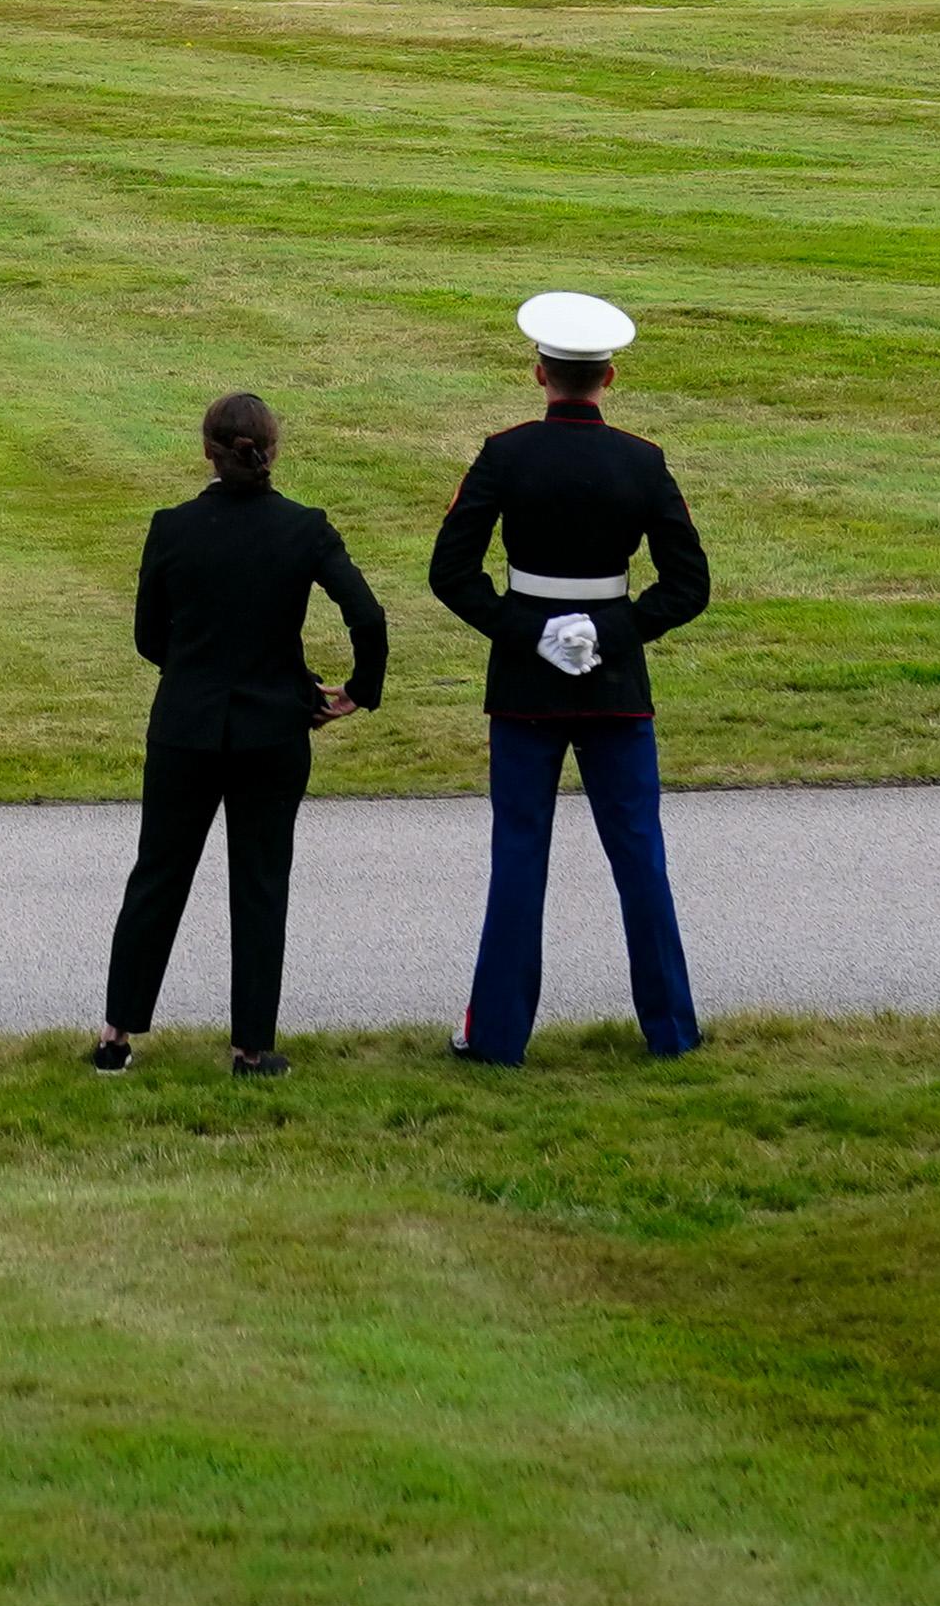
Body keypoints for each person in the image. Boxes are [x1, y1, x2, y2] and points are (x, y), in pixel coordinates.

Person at [431, 289, 708, 1066]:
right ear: (610, 378)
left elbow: (451, 572)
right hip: (615, 684)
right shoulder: (642, 462)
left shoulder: (505, 454)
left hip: (526, 685)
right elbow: (688, 585)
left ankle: (497, 1037)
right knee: (640, 857)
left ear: (538, 374)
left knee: (519, 855)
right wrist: (608, 633)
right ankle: (672, 1032)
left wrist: (532, 633)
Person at [95, 390, 387, 1080]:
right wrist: (357, 691)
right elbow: (367, 616)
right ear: (271, 451)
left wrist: (197, 669)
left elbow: (147, 638)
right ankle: (250, 1047)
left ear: (208, 452)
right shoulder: (303, 528)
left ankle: (115, 1036)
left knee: (157, 878)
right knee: (259, 884)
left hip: (185, 726)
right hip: (272, 730)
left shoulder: (171, 527)